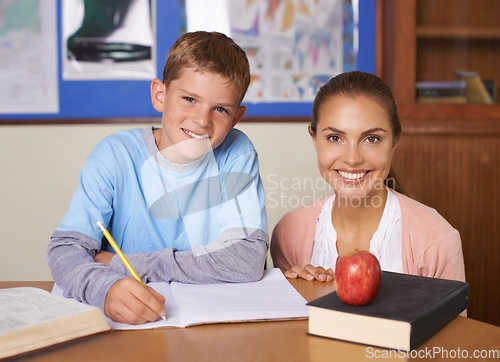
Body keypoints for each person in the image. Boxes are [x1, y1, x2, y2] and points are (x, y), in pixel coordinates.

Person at [48, 31, 268, 324]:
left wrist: (120, 265)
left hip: (208, 324)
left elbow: (246, 259)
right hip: (127, 325)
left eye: (220, 109)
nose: (202, 120)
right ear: (160, 95)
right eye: (189, 99)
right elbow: (66, 249)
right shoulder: (114, 155)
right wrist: (106, 287)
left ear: (236, 117)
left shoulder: (236, 153)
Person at [271, 71, 466, 285]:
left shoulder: (437, 240)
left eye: (371, 139)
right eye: (335, 138)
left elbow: (452, 320)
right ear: (315, 139)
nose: (352, 158)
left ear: (393, 142)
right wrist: (305, 292)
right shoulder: (287, 234)